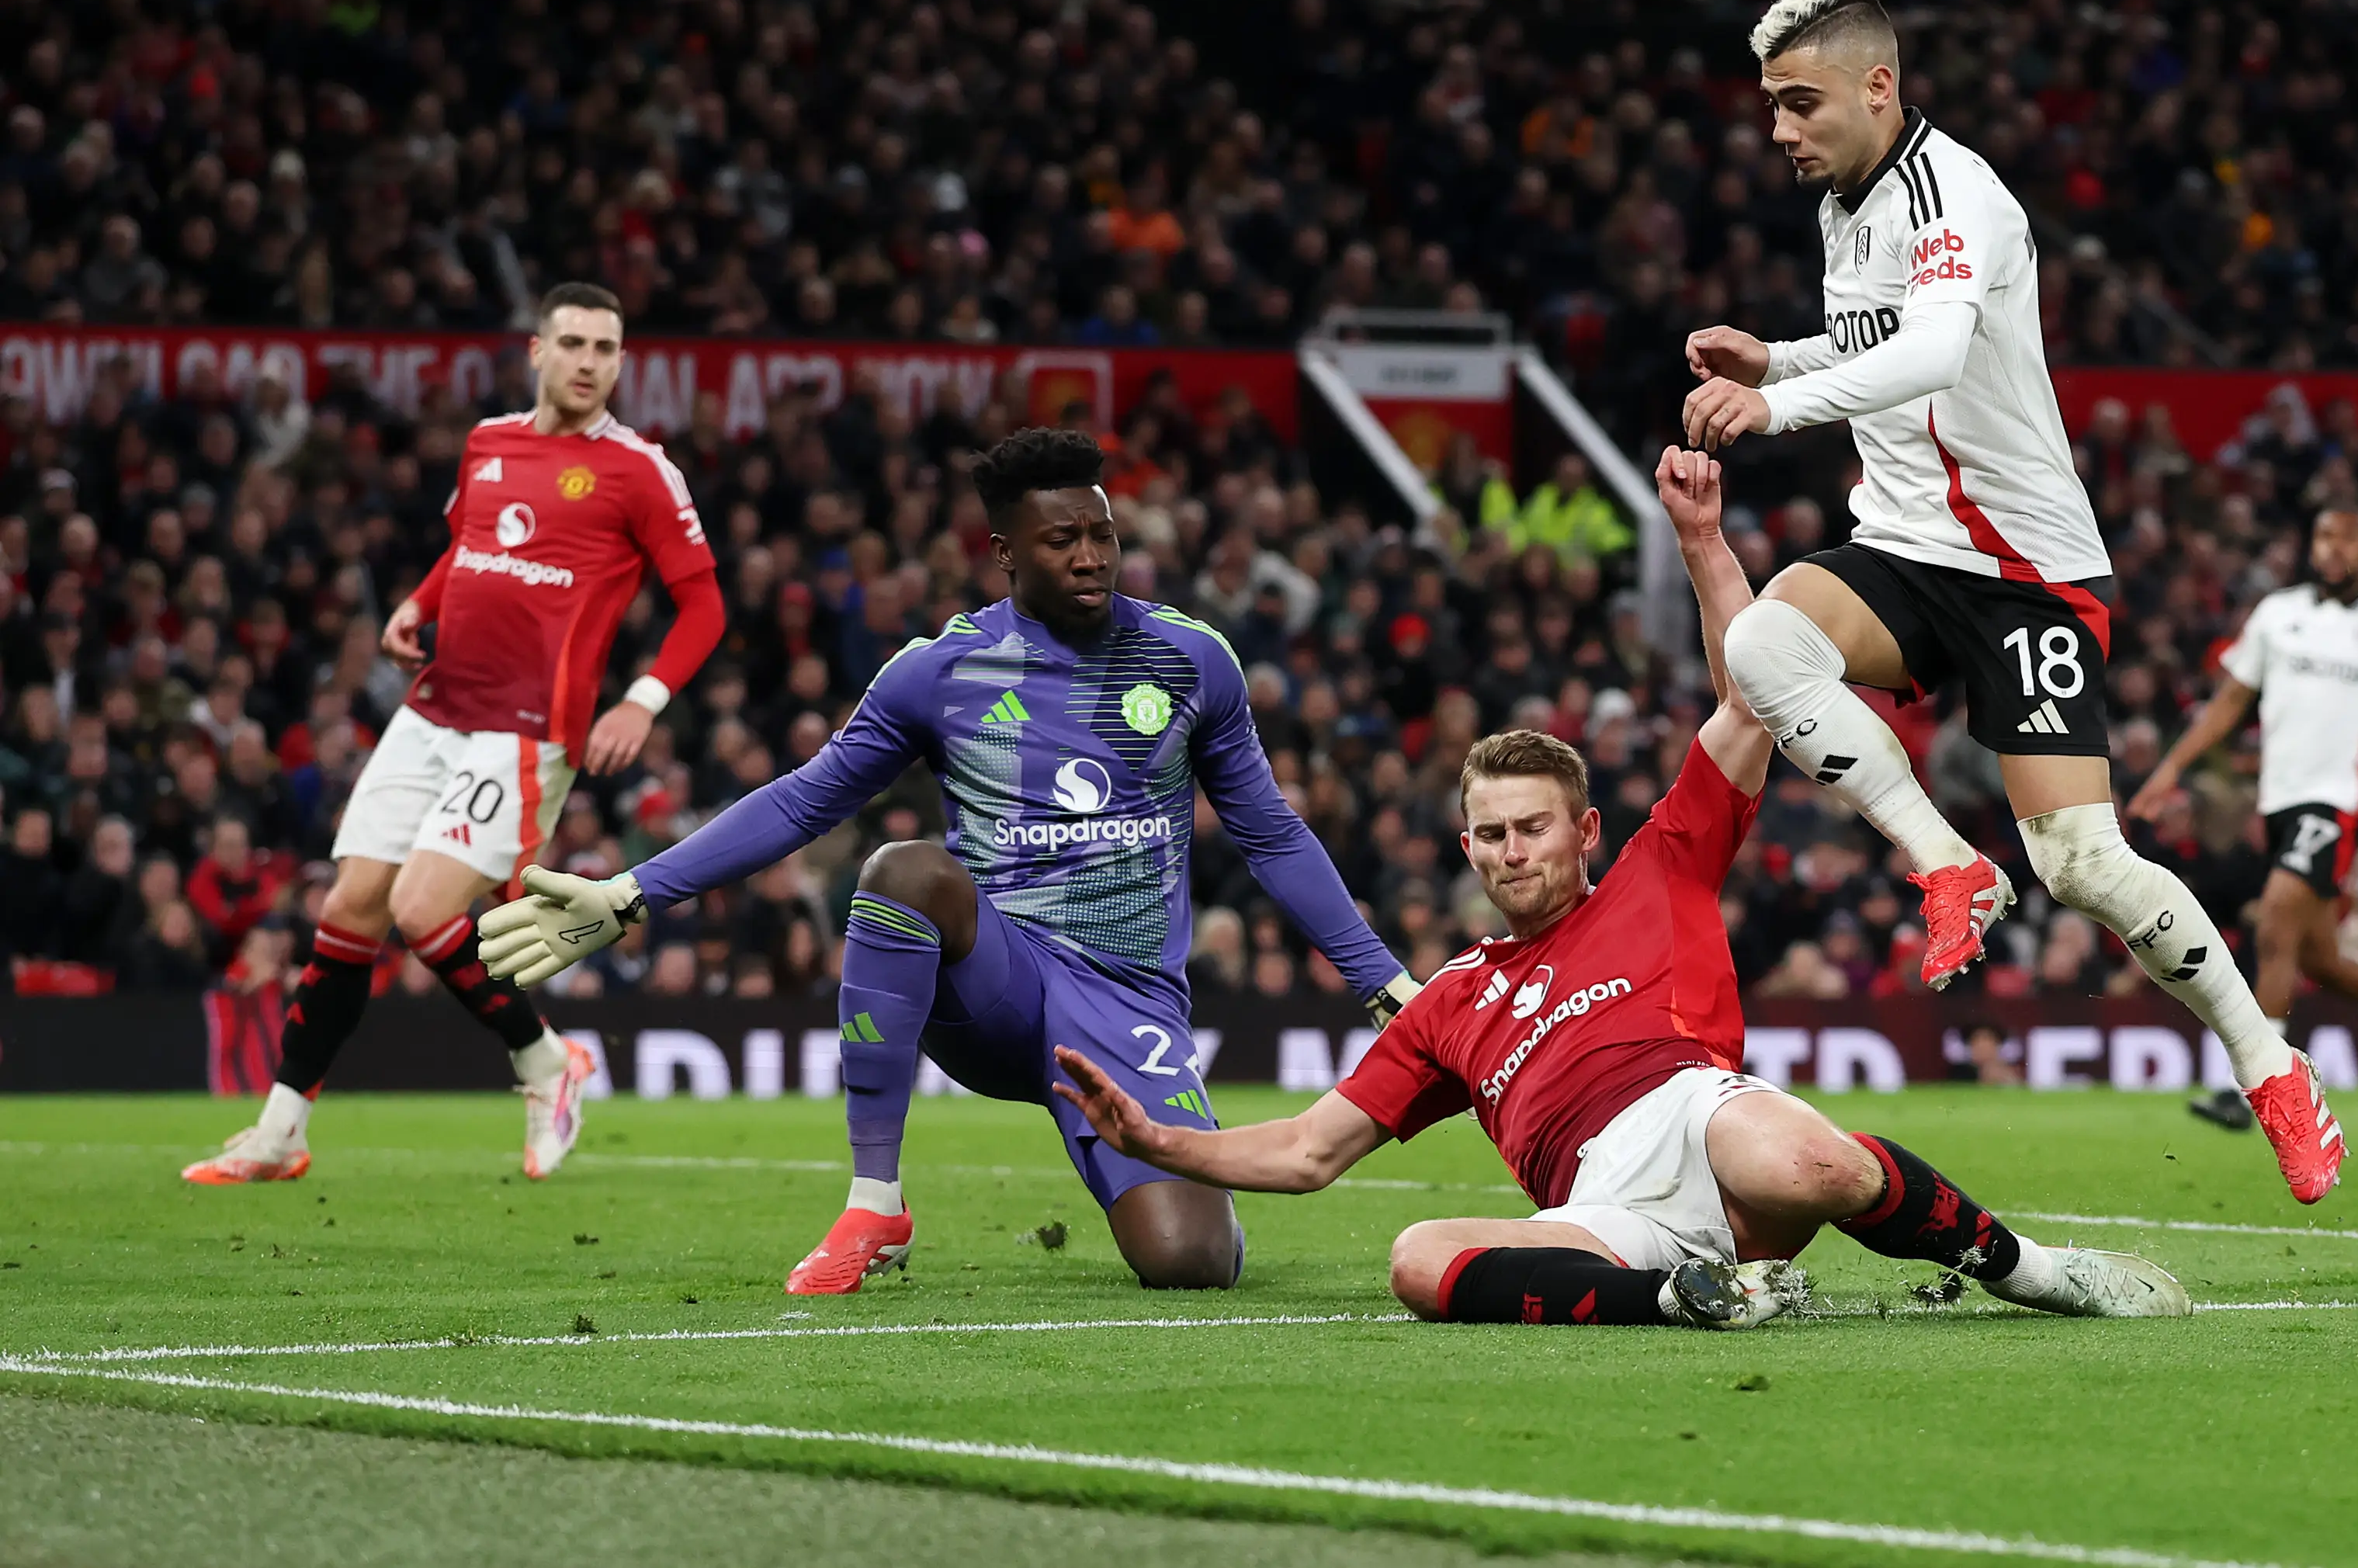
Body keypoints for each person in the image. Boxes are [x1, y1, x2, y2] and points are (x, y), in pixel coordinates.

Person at [1052, 447, 2187, 1327]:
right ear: (1466, 848)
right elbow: (1308, 1151)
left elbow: (1753, 699)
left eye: (1531, 827)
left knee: (1814, 1159)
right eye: (1488, 833)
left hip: (1703, 1121)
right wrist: (1158, 1141)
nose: (1510, 850)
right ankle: (1702, 1300)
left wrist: (1700, 537)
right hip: (1603, 1209)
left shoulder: (1661, 863)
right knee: (1416, 1258)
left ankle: (2040, 1272)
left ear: (1583, 829)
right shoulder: (1447, 999)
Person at [1677, 0, 2345, 1202]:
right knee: (1767, 646)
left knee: (2084, 863)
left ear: (1878, 86)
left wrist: (1772, 402)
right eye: (1770, 105)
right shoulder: (1846, 201)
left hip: (2022, 568)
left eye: (1797, 101)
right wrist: (1781, 350)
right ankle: (1948, 866)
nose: (1778, 128)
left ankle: (2270, 1066)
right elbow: (1883, 340)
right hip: (1901, 542)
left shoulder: (1959, 194)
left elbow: (1935, 348)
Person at [480, 428, 1416, 1295]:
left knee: (1191, 1266)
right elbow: (807, 799)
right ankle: (874, 1204)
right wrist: (633, 892)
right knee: (903, 870)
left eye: (1102, 533)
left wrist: (1381, 982)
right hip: (994, 983)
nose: (1090, 555)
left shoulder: (1190, 659)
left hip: (1127, 1001)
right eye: (1061, 540)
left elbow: (1270, 832)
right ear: (1006, 552)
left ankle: (1190, 1192)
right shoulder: (939, 671)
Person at [182, 284, 724, 1185]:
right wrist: (418, 602)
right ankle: (280, 1133)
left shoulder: (638, 470)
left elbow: (703, 602)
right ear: (536, 352)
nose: (590, 362)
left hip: (525, 730)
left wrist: (642, 701)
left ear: (620, 363)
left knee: (422, 910)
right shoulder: (488, 442)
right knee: (348, 911)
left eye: (607, 348)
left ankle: (548, 1064)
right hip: (433, 708)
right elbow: (468, 546)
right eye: (575, 343)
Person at [2128, 505, 2358, 1128]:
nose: (2332, 546)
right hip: (2282, 798)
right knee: (2316, 955)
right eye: (2322, 535)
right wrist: (2171, 768)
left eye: (2347, 535)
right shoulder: (2276, 613)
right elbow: (2231, 699)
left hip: (2342, 797)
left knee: (2275, 917)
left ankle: (2255, 1089)